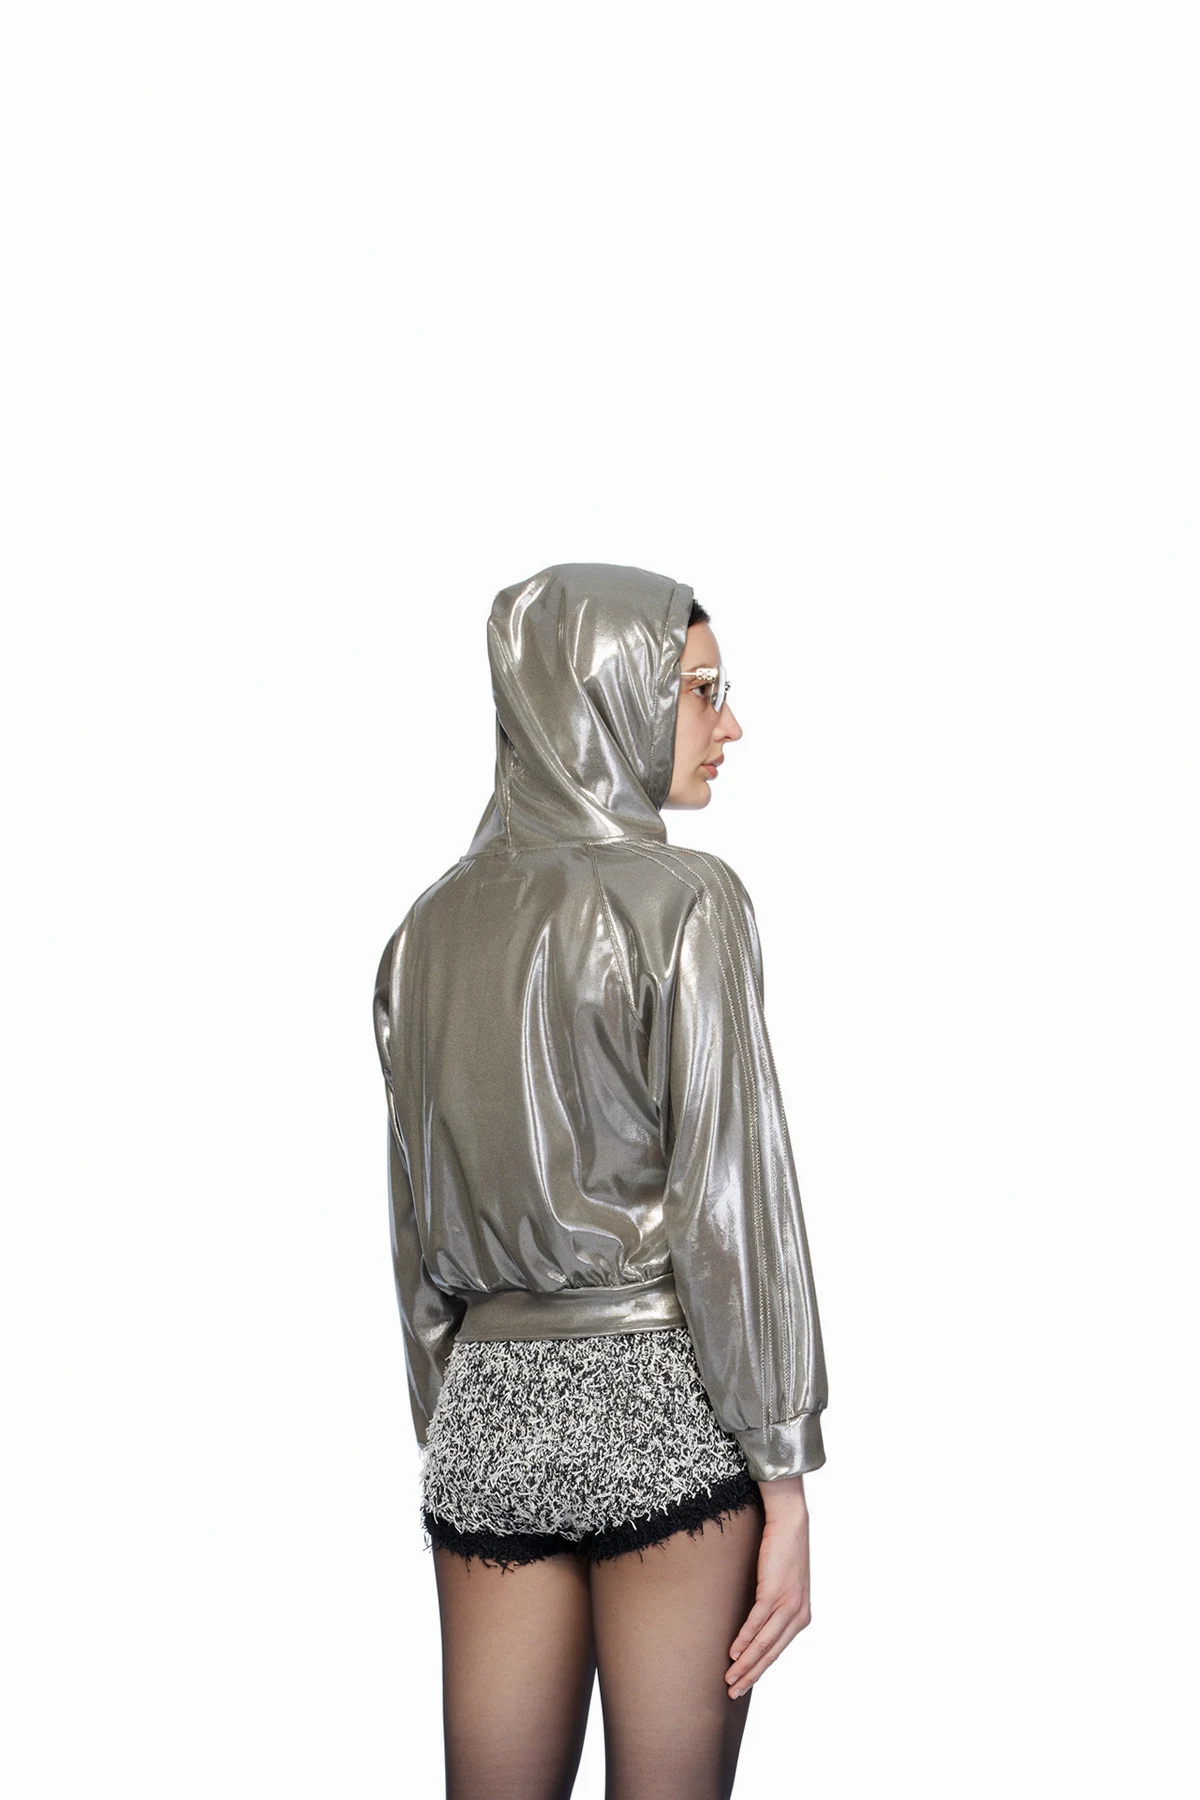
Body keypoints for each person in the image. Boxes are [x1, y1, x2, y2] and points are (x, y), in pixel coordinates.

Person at [372, 562, 828, 1800]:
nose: (730, 723)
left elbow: (414, 1231)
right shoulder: (689, 902)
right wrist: (785, 1472)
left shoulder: (425, 931)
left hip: (488, 1422)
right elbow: (734, 1201)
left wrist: (459, 1424)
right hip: (666, 1416)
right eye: (700, 690)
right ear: (613, 693)